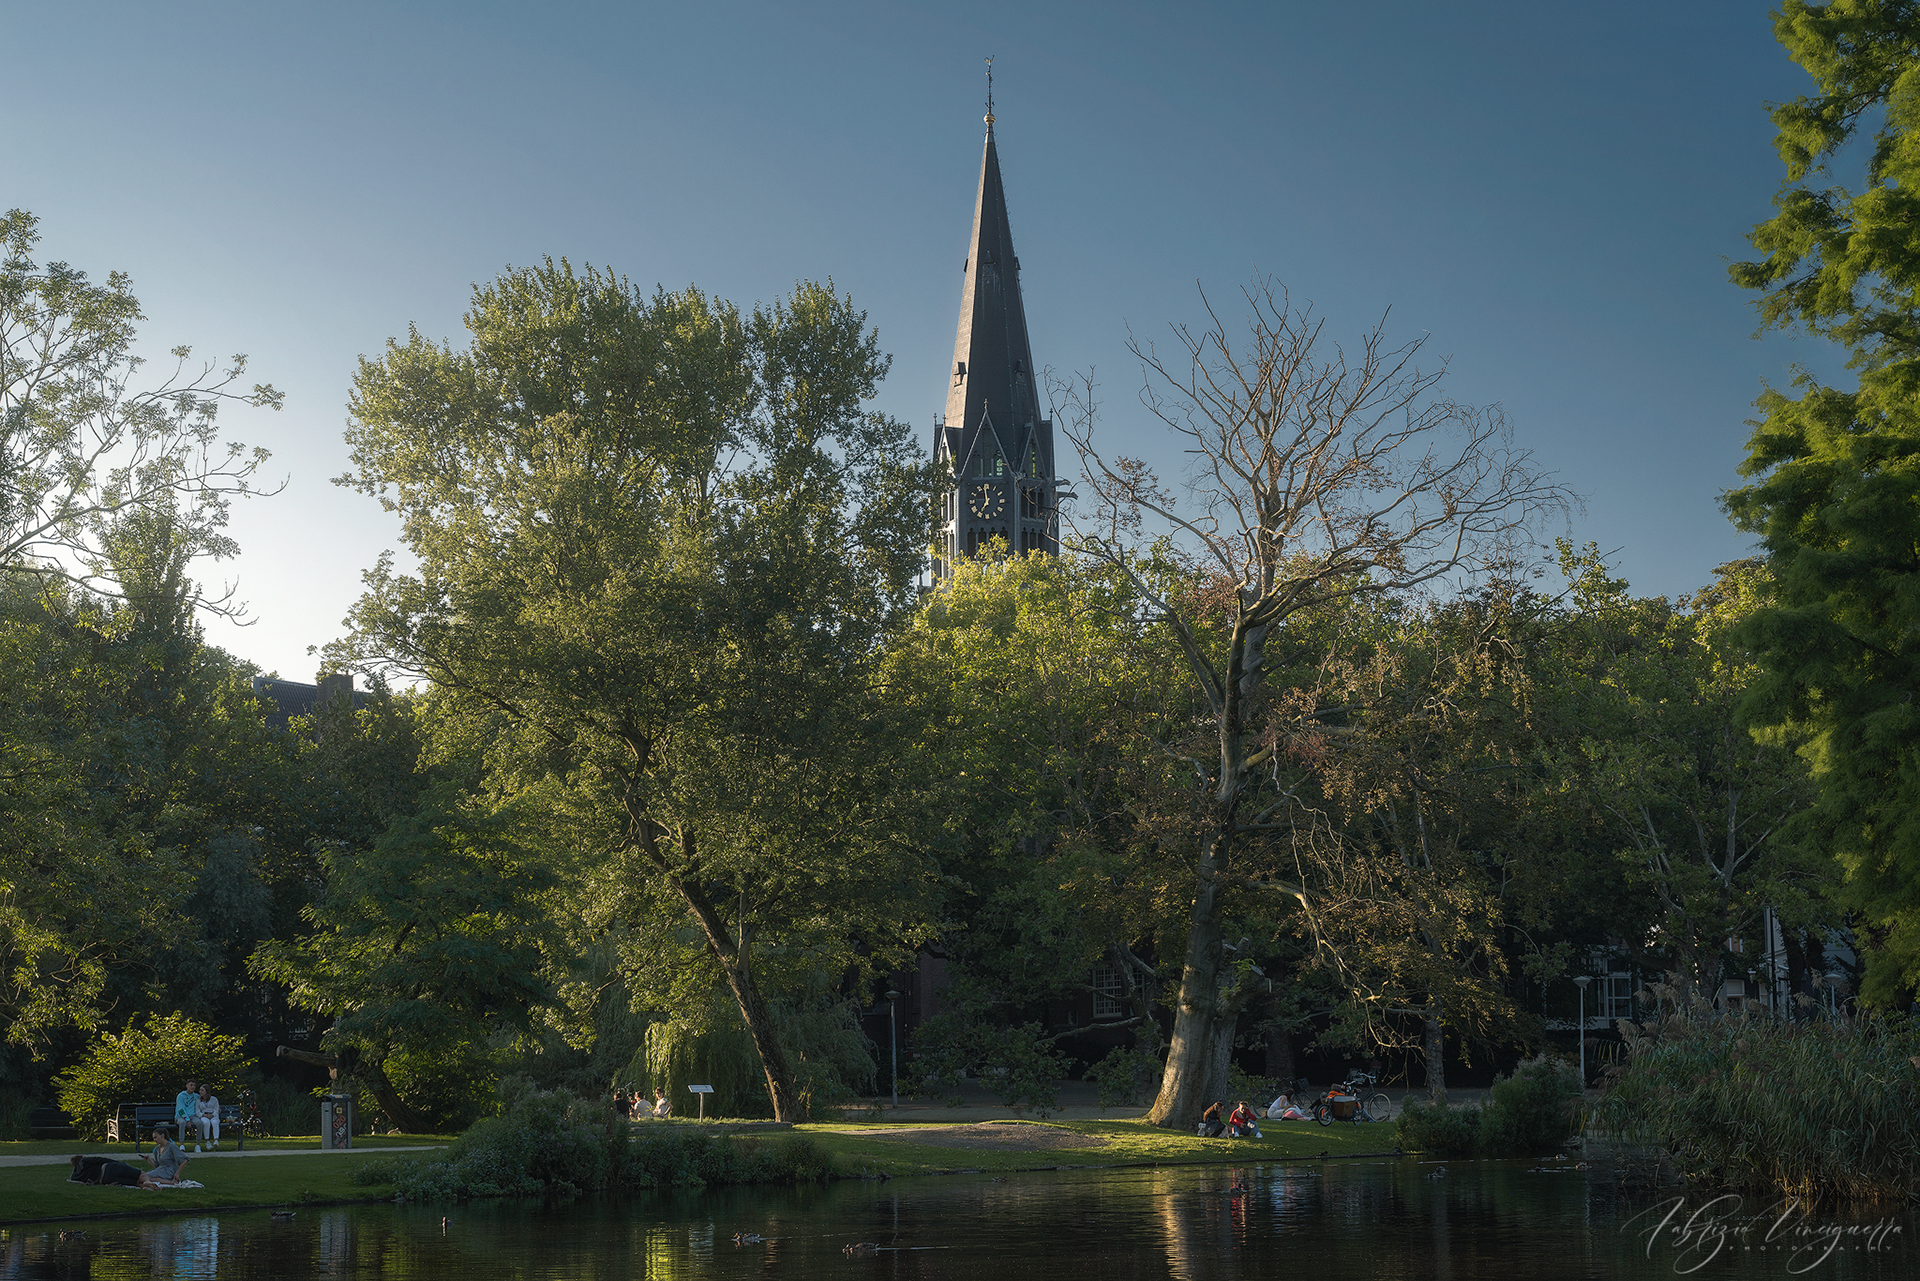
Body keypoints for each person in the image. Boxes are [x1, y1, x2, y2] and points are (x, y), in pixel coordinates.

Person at [69, 1154, 142, 1186]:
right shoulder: (85, 1160)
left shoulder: (76, 1175)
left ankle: (144, 1185)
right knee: (138, 1174)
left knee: (134, 1182)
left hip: (104, 1180)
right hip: (107, 1169)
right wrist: (116, 1162)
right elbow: (99, 1160)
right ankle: (147, 1181)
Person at [195, 1084, 221, 1150]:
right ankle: (207, 1141)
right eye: (200, 1090)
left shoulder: (214, 1099)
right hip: (204, 1115)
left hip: (213, 1115)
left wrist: (212, 1115)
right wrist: (204, 1115)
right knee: (206, 1123)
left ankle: (216, 1140)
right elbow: (197, 1111)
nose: (200, 1092)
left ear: (207, 1091)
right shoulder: (198, 1101)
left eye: (202, 1090)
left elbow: (216, 1109)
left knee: (215, 1122)